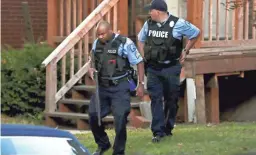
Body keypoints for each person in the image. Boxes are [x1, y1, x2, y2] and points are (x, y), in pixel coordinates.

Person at [137, 0, 200, 143]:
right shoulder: (148, 24)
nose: (149, 13)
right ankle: (157, 132)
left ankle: (168, 127)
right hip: (153, 68)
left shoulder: (178, 24)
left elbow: (196, 33)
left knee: (172, 100)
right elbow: (140, 40)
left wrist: (186, 50)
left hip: (171, 68)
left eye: (150, 10)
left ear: (157, 12)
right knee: (156, 99)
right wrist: (143, 56)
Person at [88, 20, 144, 155]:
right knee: (93, 115)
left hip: (120, 86)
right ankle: (103, 144)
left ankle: (118, 151)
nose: (100, 37)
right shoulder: (96, 43)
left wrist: (140, 84)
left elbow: (139, 61)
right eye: (98, 35)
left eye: (102, 34)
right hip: (102, 87)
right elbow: (92, 59)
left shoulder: (124, 43)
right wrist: (91, 69)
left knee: (120, 119)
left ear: (110, 31)